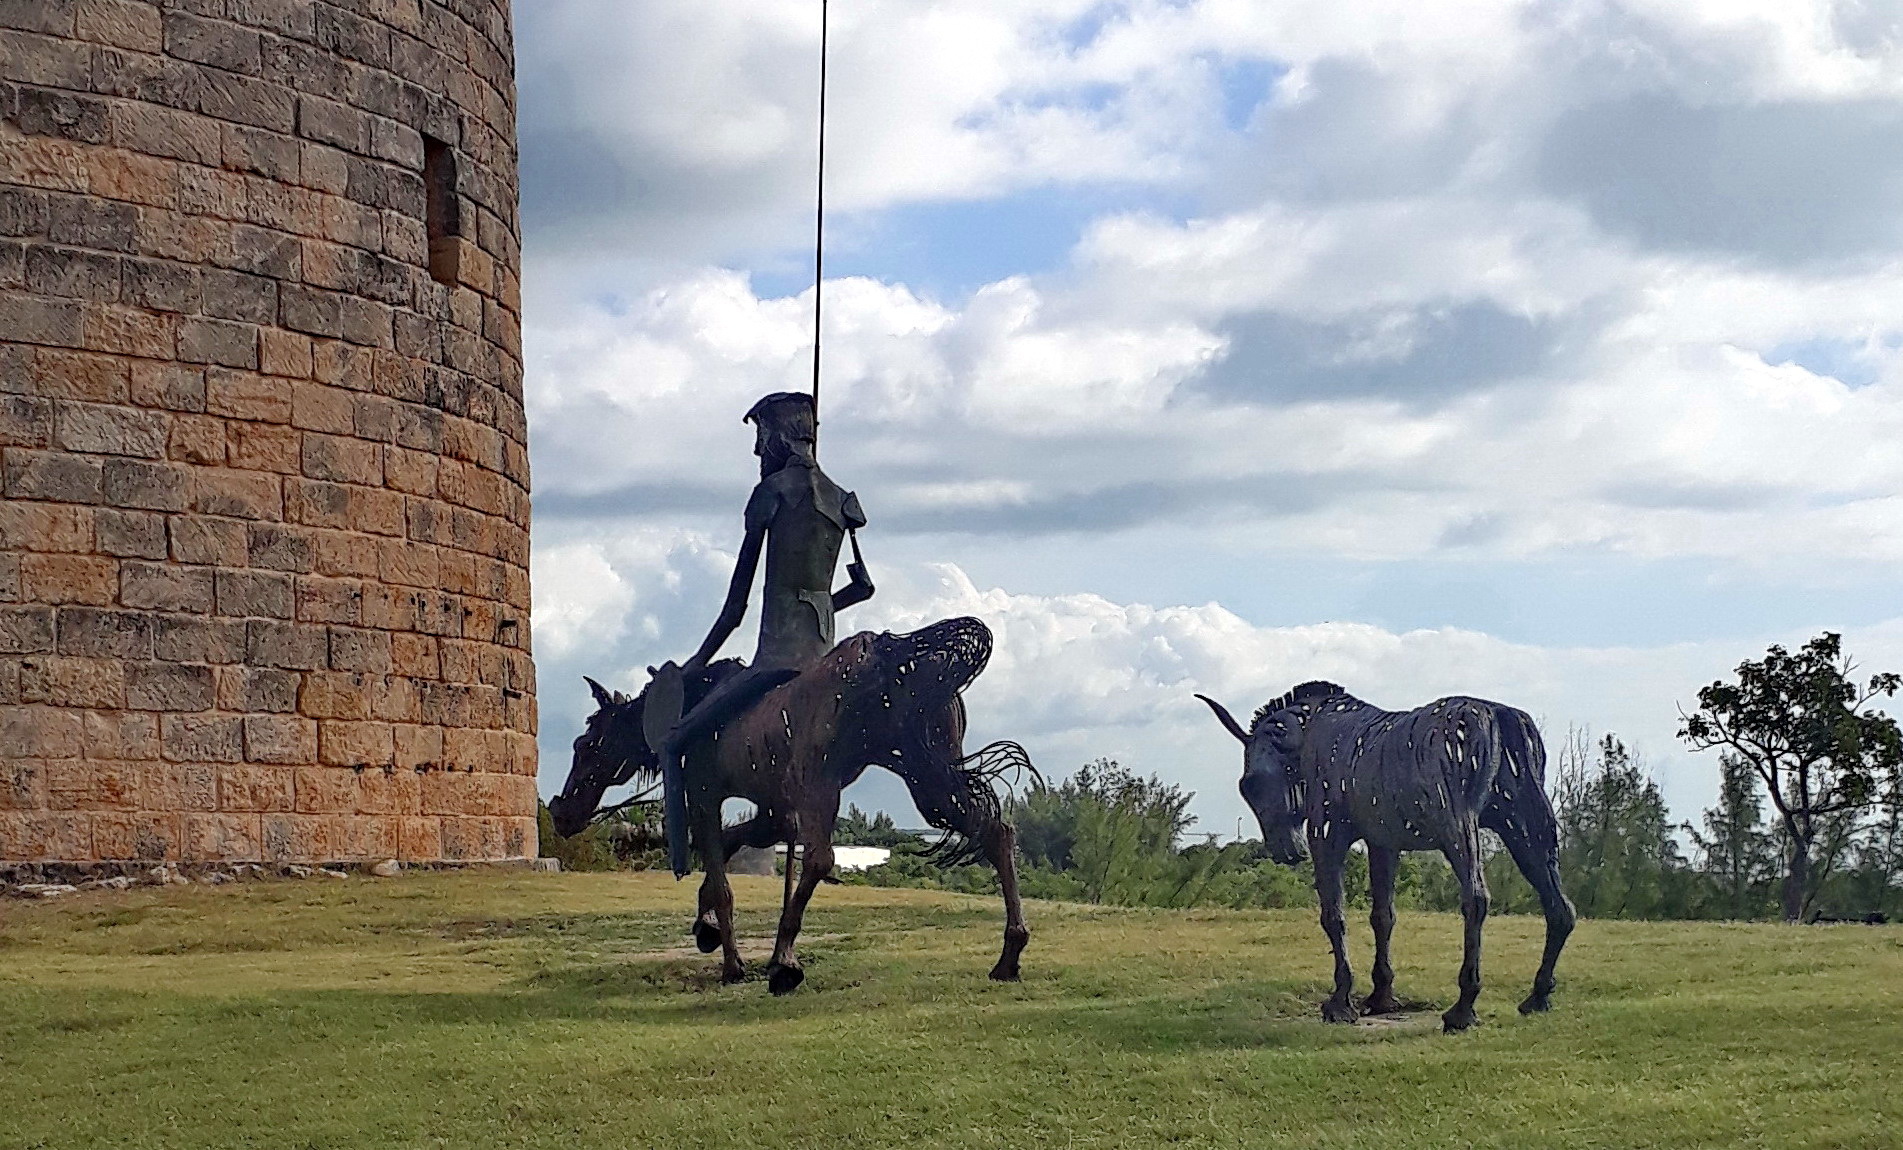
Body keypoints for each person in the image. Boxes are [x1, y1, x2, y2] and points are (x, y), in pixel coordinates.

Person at [648, 392, 875, 876]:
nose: (756, 452)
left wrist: (694, 666)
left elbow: (736, 607)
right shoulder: (843, 501)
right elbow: (862, 587)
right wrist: (816, 604)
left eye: (759, 437)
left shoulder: (771, 494)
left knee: (674, 741)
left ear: (778, 436)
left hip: (774, 661)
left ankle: (683, 861)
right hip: (822, 657)